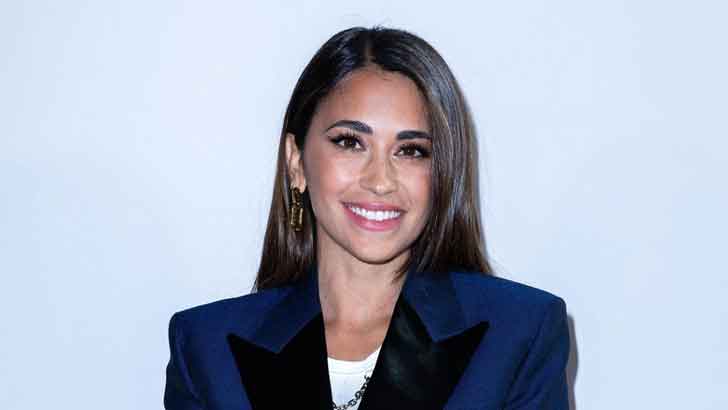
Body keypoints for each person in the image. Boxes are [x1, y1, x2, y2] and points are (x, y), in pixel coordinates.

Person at [163, 26, 570, 410]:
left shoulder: (519, 333)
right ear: (296, 162)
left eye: (411, 151)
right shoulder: (205, 347)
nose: (380, 181)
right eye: (350, 142)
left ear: (442, 171)